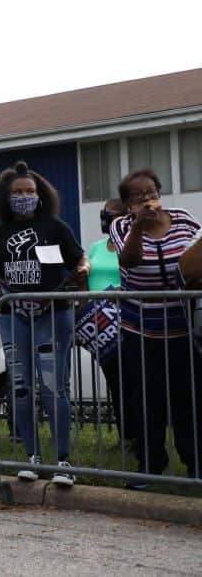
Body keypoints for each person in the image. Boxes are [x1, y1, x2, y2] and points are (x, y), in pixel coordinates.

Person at [0, 161, 87, 486]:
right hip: (15, 317)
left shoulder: (55, 227)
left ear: (40, 195)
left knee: (54, 387)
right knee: (21, 388)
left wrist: (83, 270)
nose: (24, 197)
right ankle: (31, 456)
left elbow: (79, 258)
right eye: (17, 192)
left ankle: (63, 460)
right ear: (6, 197)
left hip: (53, 315)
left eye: (30, 192)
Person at [111, 168, 202, 486]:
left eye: (152, 192)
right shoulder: (121, 225)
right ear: (127, 204)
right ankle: (150, 464)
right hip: (141, 329)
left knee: (188, 400)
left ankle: (195, 463)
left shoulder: (183, 219)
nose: (148, 199)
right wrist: (138, 227)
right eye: (139, 196)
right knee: (146, 400)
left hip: (182, 328)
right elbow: (129, 262)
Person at [86, 198, 131, 441]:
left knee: (132, 381)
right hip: (99, 326)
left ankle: (139, 435)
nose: (105, 219)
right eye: (104, 214)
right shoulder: (97, 247)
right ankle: (126, 435)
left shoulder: (132, 245)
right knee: (114, 381)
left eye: (111, 215)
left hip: (126, 321)